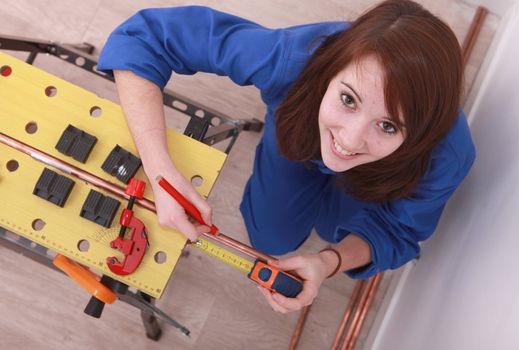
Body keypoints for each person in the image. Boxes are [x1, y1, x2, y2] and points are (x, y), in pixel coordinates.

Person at [97, 0, 475, 313]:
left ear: (420, 134)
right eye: (348, 99)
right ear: (328, 71)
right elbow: (143, 37)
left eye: (389, 126)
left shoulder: (448, 156)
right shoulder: (292, 58)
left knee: (335, 229)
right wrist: (161, 174)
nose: (350, 139)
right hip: (297, 144)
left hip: (375, 183)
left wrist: (330, 260)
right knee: (270, 237)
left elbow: (397, 231)